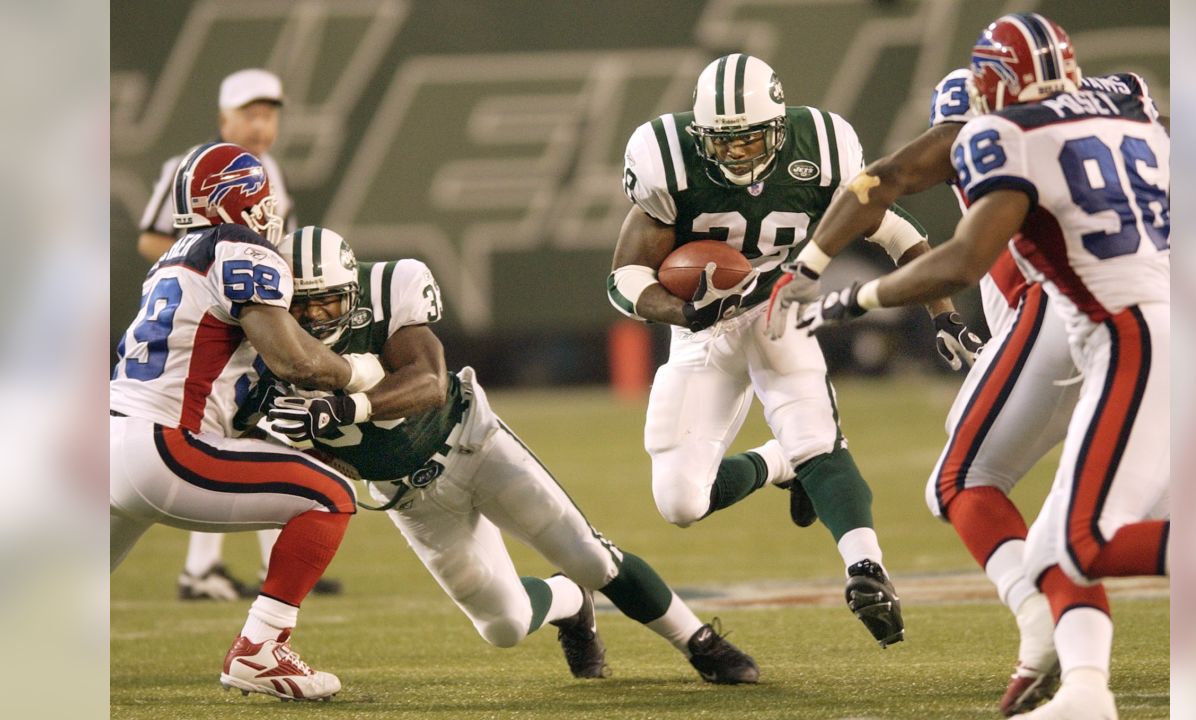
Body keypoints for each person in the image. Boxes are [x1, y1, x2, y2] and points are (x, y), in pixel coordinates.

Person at [765, 42, 1166, 718]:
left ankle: (1059, 648)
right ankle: (1084, 686)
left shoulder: (1002, 134)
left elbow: (915, 209)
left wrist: (840, 292)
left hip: (1102, 323)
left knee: (989, 493)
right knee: (1061, 539)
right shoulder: (1125, 105)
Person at [248, 226, 759, 684]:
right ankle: (568, 603)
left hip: (471, 442)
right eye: (300, 307)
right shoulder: (258, 355)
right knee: (505, 626)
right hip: (408, 495)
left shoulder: (390, 286)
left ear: (354, 293)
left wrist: (344, 408)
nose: (314, 319)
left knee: (587, 554)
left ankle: (698, 641)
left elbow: (427, 381)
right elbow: (316, 457)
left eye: (329, 303)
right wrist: (307, 448)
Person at [606, 53, 981, 648]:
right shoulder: (667, 162)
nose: (737, 154)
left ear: (779, 127)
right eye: (722, 143)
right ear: (700, 136)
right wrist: (685, 310)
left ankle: (867, 568)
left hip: (782, 302)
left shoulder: (825, 148)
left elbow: (897, 231)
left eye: (750, 140)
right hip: (704, 322)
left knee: (814, 431)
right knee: (678, 501)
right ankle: (779, 464)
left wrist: (946, 314)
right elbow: (625, 277)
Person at [111, 142, 385, 701]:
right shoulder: (238, 247)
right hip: (163, 446)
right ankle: (260, 649)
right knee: (329, 496)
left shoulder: (174, 257)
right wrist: (355, 373)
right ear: (244, 201)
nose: (271, 208)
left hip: (105, 438)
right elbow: (295, 360)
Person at [133, 68, 331, 600]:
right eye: (250, 113)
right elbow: (154, 239)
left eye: (269, 114)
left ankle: (265, 564)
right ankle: (211, 575)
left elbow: (273, 247)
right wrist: (212, 261)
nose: (262, 124)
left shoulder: (272, 172)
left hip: (143, 399)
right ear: (225, 118)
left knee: (252, 435)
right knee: (222, 433)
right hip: (206, 328)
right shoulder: (193, 170)